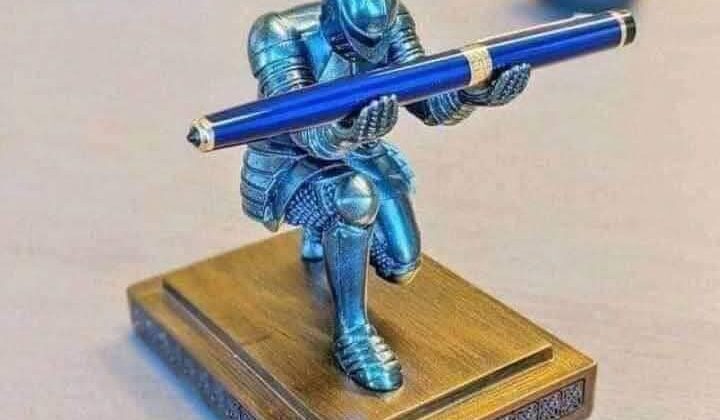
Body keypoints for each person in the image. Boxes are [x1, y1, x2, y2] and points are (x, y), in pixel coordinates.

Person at [241, 0, 531, 392]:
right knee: (354, 198)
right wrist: (346, 132)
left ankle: (323, 237)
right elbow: (301, 125)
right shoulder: (276, 32)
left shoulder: (393, 18)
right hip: (289, 160)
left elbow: (427, 100)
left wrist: (472, 93)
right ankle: (353, 331)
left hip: (361, 149)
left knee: (401, 264)